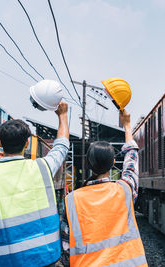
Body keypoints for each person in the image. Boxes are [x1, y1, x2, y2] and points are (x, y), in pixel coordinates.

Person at [0, 102, 70, 267]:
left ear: (1, 143)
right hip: (46, 259)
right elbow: (61, 146)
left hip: (5, 262)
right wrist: (62, 115)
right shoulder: (43, 168)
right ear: (27, 144)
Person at [61, 110, 147, 267]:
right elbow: (132, 158)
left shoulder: (71, 200)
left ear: (88, 165)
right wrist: (127, 126)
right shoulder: (124, 190)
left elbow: (66, 247)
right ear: (113, 162)